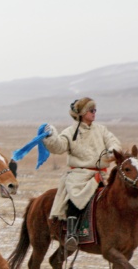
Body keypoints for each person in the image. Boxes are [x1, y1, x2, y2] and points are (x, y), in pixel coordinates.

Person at [42, 97, 121, 251]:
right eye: (91, 110)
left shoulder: (101, 130)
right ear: (83, 113)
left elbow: (113, 141)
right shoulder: (70, 132)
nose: (94, 113)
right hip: (79, 176)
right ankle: (71, 234)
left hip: (101, 175)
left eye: (95, 110)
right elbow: (58, 147)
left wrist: (112, 150)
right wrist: (50, 137)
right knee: (76, 197)